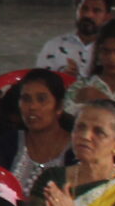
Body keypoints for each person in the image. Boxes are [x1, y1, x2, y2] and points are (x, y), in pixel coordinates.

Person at [5, 68, 74, 197]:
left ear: (59, 106)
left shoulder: (75, 152)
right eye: (26, 99)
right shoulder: (9, 143)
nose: (32, 107)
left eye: (41, 99)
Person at [38, 0, 112, 76]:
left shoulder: (112, 50)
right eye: (84, 8)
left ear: (107, 17)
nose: (88, 15)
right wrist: (62, 76)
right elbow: (39, 80)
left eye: (96, 11)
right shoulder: (54, 46)